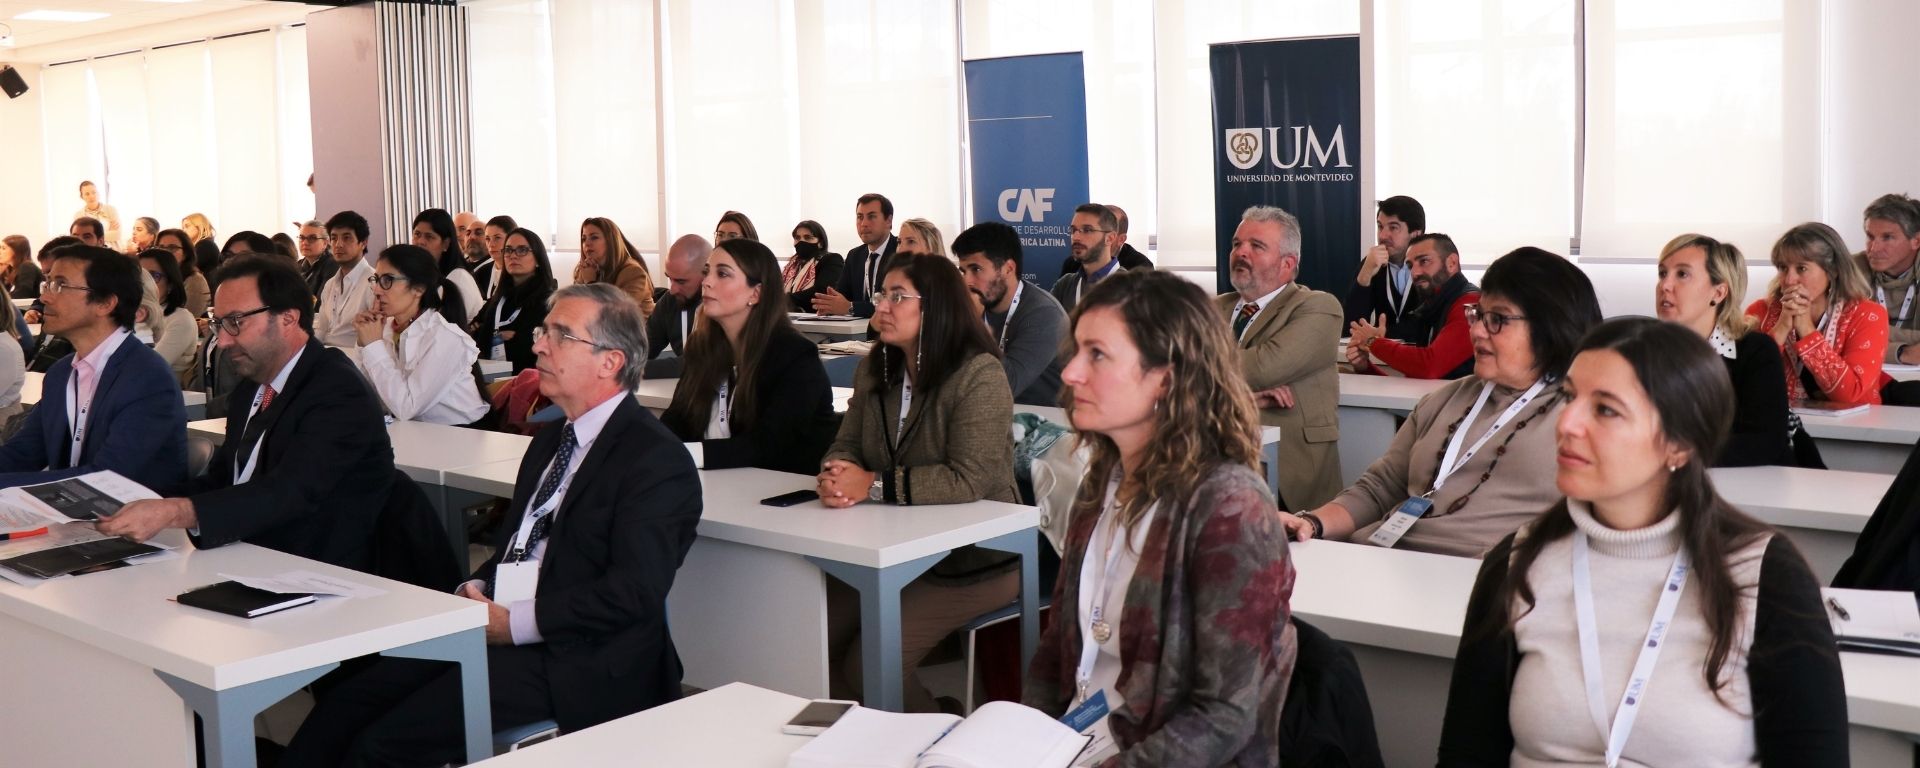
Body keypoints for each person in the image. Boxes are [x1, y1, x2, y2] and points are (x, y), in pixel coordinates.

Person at [281, 282, 701, 767]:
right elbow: (521, 545)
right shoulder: (548, 441)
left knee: (384, 744)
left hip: (582, 657)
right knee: (347, 701)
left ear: (610, 362)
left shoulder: (654, 460)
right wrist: (478, 586)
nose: (539, 344)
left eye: (560, 335)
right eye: (544, 331)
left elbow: (633, 594)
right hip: (500, 627)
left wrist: (513, 624)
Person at [1437, 317, 1848, 766]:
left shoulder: (1762, 574)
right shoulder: (1519, 562)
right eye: (1570, 397)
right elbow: (1467, 755)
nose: (1567, 423)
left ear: (1679, 445)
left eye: (1606, 409)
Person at [1024, 269, 1293, 764]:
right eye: (1078, 350)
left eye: (1097, 354)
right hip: (1075, 742)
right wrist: (1025, 745)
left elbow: (1223, 717)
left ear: (1166, 377)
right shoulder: (1100, 481)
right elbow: (1054, 656)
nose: (1070, 373)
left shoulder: (1229, 506)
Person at [1285, 247, 1604, 557]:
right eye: (1478, 315)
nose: (1477, 331)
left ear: (1551, 326)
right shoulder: (1444, 400)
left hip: (1480, 584)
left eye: (1497, 319)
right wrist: (1310, 523)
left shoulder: (1579, 421)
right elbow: (1379, 488)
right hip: (1382, 561)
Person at [815, 253, 1018, 713]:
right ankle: (870, 744)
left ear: (937, 307)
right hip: (895, 550)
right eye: (882, 294)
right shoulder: (876, 368)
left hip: (976, 560)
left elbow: (969, 479)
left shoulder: (979, 374)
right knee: (811, 633)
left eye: (898, 296)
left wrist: (872, 485)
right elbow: (845, 444)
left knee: (866, 664)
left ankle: (937, 735)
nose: (883, 306)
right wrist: (838, 476)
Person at [99, 257, 395, 570]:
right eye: (218, 324)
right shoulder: (253, 387)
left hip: (321, 573)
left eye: (236, 322)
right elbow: (228, 479)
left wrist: (175, 512)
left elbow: (291, 492)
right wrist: (142, 500)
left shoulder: (337, 391)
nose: (223, 340)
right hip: (254, 558)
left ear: (288, 319)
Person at [0, 245, 187, 493]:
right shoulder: (61, 373)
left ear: (105, 303)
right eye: (47, 284)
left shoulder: (147, 377)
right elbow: (23, 453)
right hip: (75, 519)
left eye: (60, 285)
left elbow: (107, 478)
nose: (45, 297)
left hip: (136, 525)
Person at [662, 238, 835, 473]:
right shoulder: (701, 348)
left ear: (756, 293)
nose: (707, 282)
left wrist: (686, 454)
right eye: (707, 272)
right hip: (716, 485)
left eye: (722, 274)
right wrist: (654, 447)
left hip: (779, 493)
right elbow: (677, 420)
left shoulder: (794, 356)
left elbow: (768, 445)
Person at [1217, 205, 1342, 511]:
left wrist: (1204, 366)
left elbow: (1264, 367)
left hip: (1289, 473)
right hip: (1216, 460)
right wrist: (1249, 397)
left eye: (1256, 246)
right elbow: (1173, 370)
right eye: (1237, 244)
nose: (1240, 252)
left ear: (1288, 264)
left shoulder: (1318, 307)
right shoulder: (1211, 308)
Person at [1656, 233, 1795, 467]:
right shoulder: (1644, 349)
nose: (1665, 285)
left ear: (1718, 293)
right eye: (1662, 274)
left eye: (1682, 274)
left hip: (1756, 485)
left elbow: (1765, 442)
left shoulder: (1755, 352)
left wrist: (1673, 456)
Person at [1746, 222, 1889, 406]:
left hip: (1852, 430)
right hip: (1778, 426)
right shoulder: (1759, 311)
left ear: (1833, 271)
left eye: (1801, 268)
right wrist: (1781, 329)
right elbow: (1744, 384)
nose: (1789, 280)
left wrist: (1806, 329)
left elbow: (1851, 394)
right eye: (1783, 268)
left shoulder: (1867, 315)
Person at [351, 245, 487, 426]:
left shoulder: (444, 338)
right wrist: (363, 344)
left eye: (387, 280)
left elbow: (405, 407)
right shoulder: (385, 329)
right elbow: (364, 393)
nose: (376, 290)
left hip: (462, 436)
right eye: (376, 279)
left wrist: (373, 347)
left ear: (418, 289)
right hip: (414, 432)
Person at [954, 221, 1067, 406]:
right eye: (963, 271)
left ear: (1008, 269)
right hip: (992, 413)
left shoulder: (1044, 314)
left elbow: (1006, 386)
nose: (967, 281)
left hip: (1044, 423)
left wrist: (972, 323)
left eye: (976, 269)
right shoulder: (978, 301)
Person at [1347, 232, 1478, 379]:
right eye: (1410, 266)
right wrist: (1365, 367)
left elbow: (1429, 366)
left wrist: (1373, 342)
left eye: (1424, 261)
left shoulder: (1470, 303)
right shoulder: (1432, 306)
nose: (1415, 273)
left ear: (1452, 263)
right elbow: (1415, 383)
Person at [470, 227, 554, 375]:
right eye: (508, 250)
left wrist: (490, 335)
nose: (513, 256)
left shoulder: (547, 301)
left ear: (538, 259)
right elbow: (473, 332)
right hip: (490, 378)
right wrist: (498, 337)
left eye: (522, 250)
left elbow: (532, 347)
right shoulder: (499, 298)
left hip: (527, 381)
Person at [1344, 195, 1425, 330]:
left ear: (1416, 234)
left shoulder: (1429, 266)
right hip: (1380, 349)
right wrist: (1364, 276)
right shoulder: (1372, 262)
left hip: (1420, 350)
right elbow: (1350, 327)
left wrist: (1380, 335)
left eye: (1393, 228)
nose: (1382, 236)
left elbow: (1424, 326)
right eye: (1380, 226)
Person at [1857, 193, 1920, 365]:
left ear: (1916, 241)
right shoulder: (1850, 270)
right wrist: (1902, 352)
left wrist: (1866, 333)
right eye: (1870, 236)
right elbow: (1839, 339)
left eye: (1887, 237)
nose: (1874, 248)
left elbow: (1856, 335)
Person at [814, 193, 897, 318]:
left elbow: (894, 304)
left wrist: (851, 308)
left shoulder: (901, 252)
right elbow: (842, 297)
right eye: (860, 217)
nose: (864, 223)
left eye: (871, 217)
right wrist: (830, 305)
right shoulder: (855, 255)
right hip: (857, 332)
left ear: (888, 221)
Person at [646, 234, 710, 376]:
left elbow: (698, 364)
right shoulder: (671, 301)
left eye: (681, 281)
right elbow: (643, 348)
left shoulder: (722, 308)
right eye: (670, 278)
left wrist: (629, 370)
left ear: (707, 275)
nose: (673, 289)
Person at [316, 210, 378, 348]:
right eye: (334, 238)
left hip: (355, 358)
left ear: (363, 243)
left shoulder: (374, 283)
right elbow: (322, 328)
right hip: (326, 354)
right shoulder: (330, 284)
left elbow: (376, 336)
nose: (338, 244)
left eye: (346, 238)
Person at [1052, 204, 1130, 313]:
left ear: (1110, 238)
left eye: (1087, 230)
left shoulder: (1131, 288)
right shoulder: (1065, 285)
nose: (1076, 237)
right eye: (1073, 230)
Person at [138, 247, 200, 384]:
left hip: (166, 396)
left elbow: (149, 368)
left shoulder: (181, 319)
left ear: (171, 284)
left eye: (154, 276)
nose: (144, 283)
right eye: (139, 275)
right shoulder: (126, 315)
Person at [573, 217, 656, 317]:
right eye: (584, 239)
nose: (587, 243)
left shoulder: (633, 273)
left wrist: (590, 283)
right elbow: (573, 308)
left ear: (611, 241)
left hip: (629, 331)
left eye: (594, 237)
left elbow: (615, 317)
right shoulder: (587, 269)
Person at [411, 209, 484, 323]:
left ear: (446, 244)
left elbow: (443, 330)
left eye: (429, 237)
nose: (420, 242)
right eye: (417, 234)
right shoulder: (420, 277)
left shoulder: (458, 278)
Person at [784, 220, 843, 311]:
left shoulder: (832, 260)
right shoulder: (790, 266)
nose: (801, 241)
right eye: (797, 238)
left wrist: (786, 299)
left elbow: (822, 291)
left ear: (820, 243)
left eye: (808, 238)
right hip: (789, 318)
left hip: (817, 319)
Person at [156, 228, 210, 317]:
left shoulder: (195, 280)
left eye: (172, 248)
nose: (165, 252)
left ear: (185, 253)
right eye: (161, 247)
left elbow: (189, 317)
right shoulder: (160, 277)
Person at [294, 219, 337, 304]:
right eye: (302, 238)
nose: (305, 242)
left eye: (312, 238)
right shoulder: (298, 265)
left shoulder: (332, 265)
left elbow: (320, 302)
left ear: (325, 243)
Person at [479, 214, 518, 298]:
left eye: (497, 238)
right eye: (487, 239)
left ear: (512, 238)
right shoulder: (481, 273)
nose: (491, 244)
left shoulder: (520, 274)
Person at [74, 180, 121, 248]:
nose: (91, 196)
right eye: (87, 194)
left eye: (94, 192)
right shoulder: (79, 215)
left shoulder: (111, 210)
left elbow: (117, 235)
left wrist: (92, 236)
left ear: (98, 193)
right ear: (82, 196)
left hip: (113, 250)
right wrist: (108, 232)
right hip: (91, 252)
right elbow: (80, 240)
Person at [181, 212, 221, 282]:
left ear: (199, 227)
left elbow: (187, 269)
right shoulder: (204, 244)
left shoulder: (205, 245)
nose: (183, 230)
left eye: (187, 226)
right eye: (183, 227)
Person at [3, 234, 41, 301]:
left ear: (15, 251)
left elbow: (22, 293)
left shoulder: (27, 266)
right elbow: (3, 292)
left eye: (3, 248)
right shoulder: (10, 269)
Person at [455, 211, 488, 275]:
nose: (471, 237)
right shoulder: (457, 265)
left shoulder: (495, 269)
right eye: (468, 233)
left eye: (478, 233)